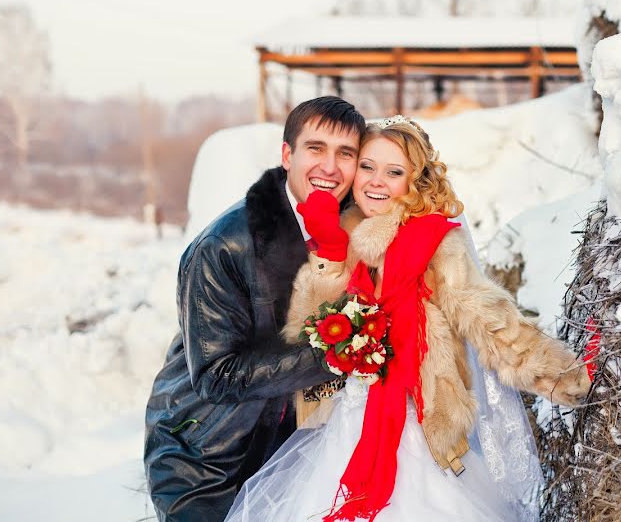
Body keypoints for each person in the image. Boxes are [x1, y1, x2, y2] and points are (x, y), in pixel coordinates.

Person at [225, 116, 592, 522]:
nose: (376, 181)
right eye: (367, 166)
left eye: (394, 172)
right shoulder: (344, 236)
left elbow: (486, 315)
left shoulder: (433, 242)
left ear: (413, 182)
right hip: (348, 424)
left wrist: (556, 373)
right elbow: (305, 332)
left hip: (420, 423)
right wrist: (327, 257)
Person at [143, 96, 368, 522]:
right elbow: (216, 375)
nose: (330, 167)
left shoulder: (352, 232)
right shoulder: (223, 246)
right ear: (288, 155)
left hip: (296, 449)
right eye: (315, 149)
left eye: (346, 154)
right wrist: (335, 353)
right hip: (210, 459)